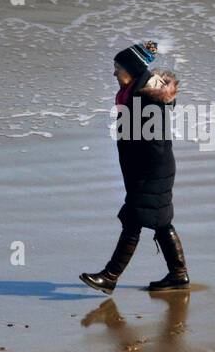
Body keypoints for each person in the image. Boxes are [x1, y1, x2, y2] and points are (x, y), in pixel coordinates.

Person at [80, 40, 189, 294]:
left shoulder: (145, 99)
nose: (114, 73)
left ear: (130, 69)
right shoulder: (136, 93)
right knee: (160, 223)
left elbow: (154, 142)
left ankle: (110, 276)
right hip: (149, 171)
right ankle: (178, 275)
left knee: (133, 220)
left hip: (151, 171)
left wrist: (142, 171)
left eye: (117, 67)